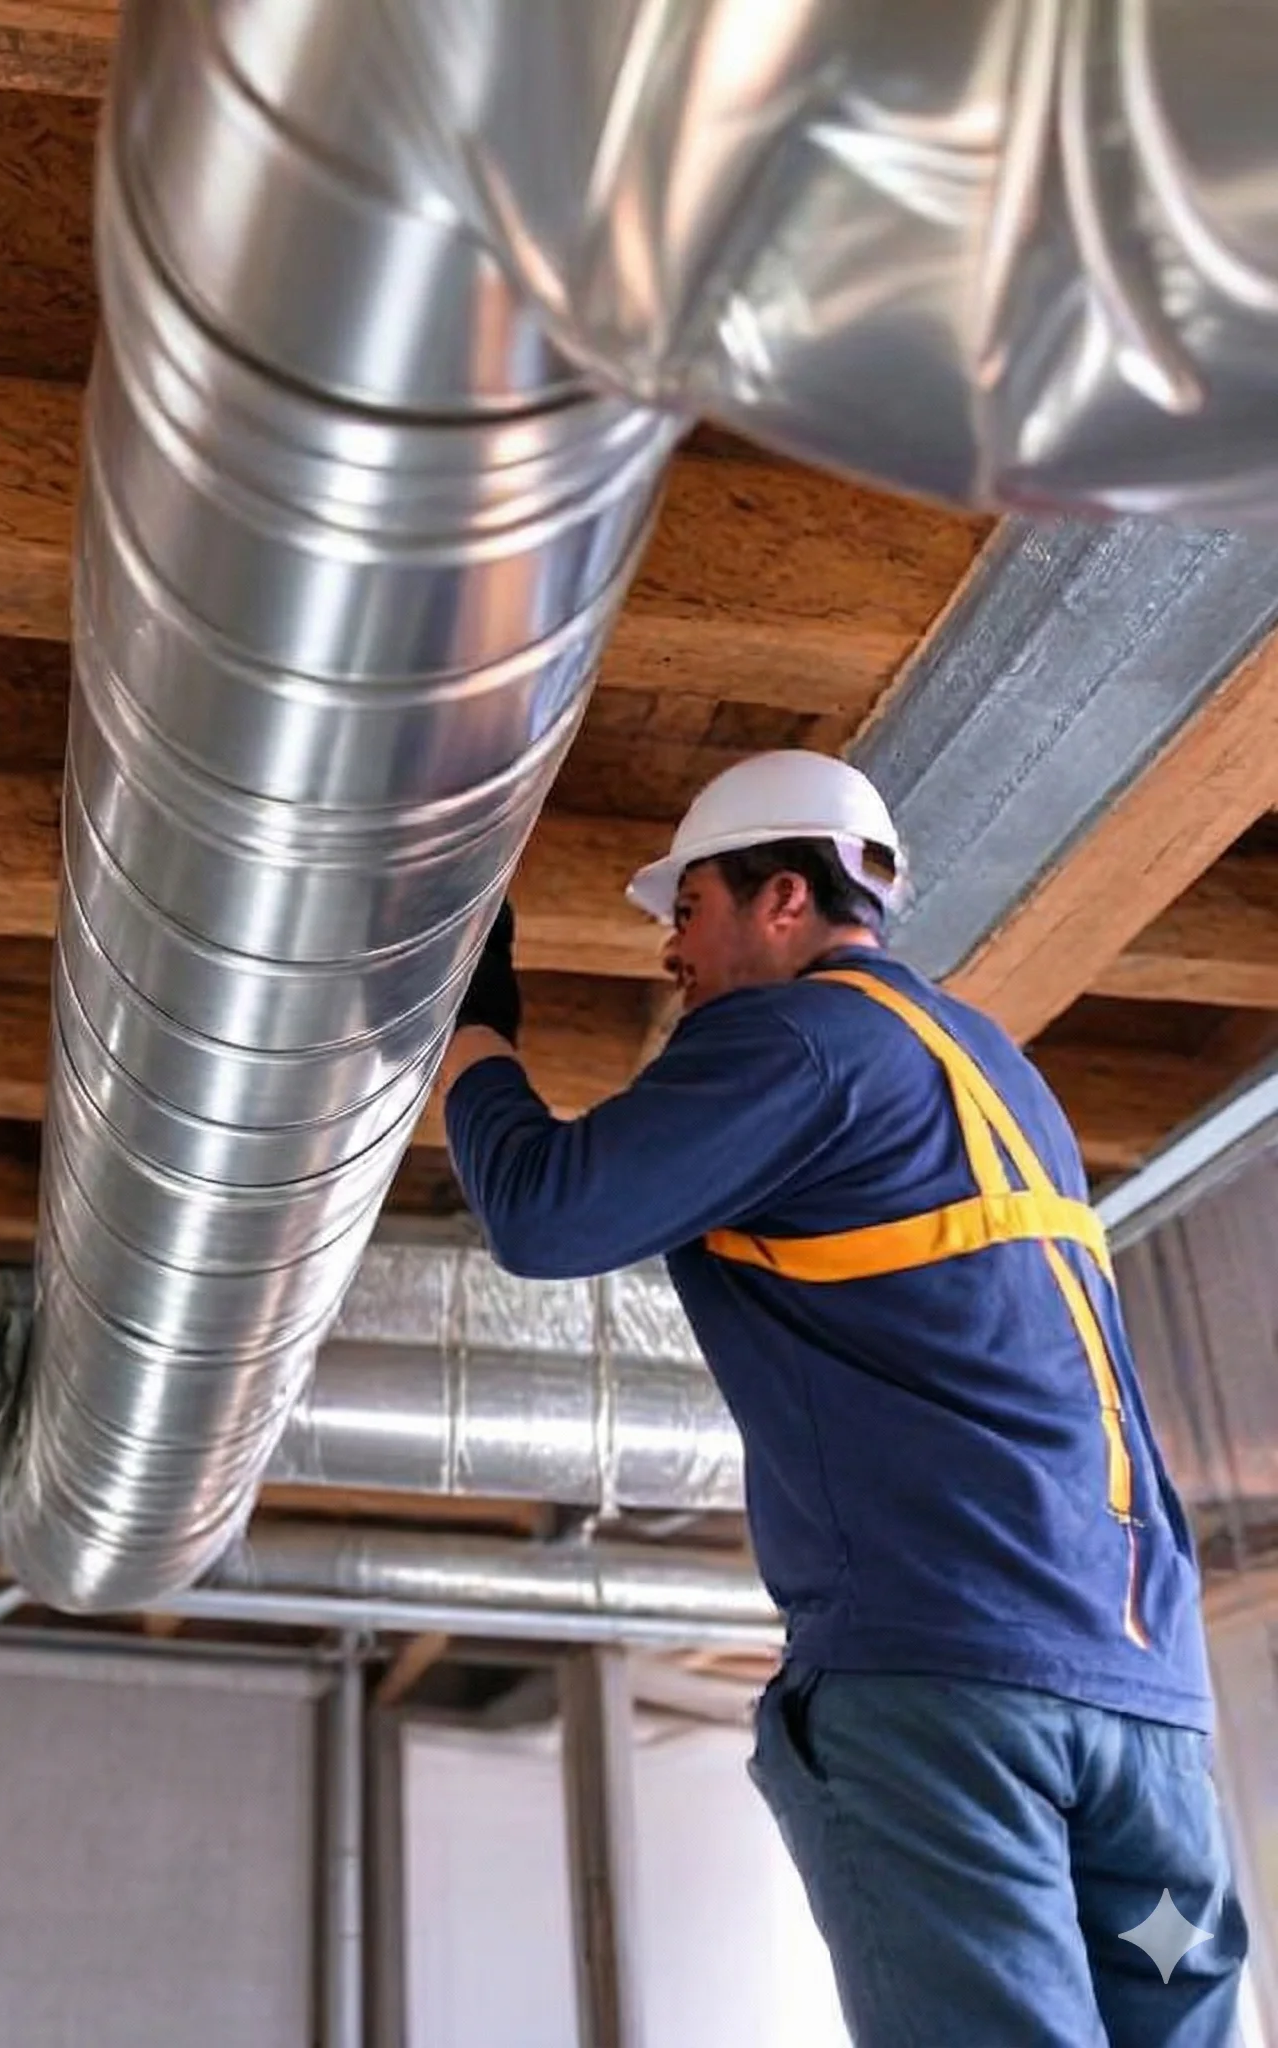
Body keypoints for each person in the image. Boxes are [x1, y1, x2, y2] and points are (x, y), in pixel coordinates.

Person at [441, 750, 1247, 2046]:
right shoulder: (996, 1069)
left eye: (688, 907)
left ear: (782, 899)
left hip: (956, 1703)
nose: (671, 951)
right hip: (1144, 1727)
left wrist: (473, 1026)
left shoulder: (799, 1040)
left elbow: (546, 1213)